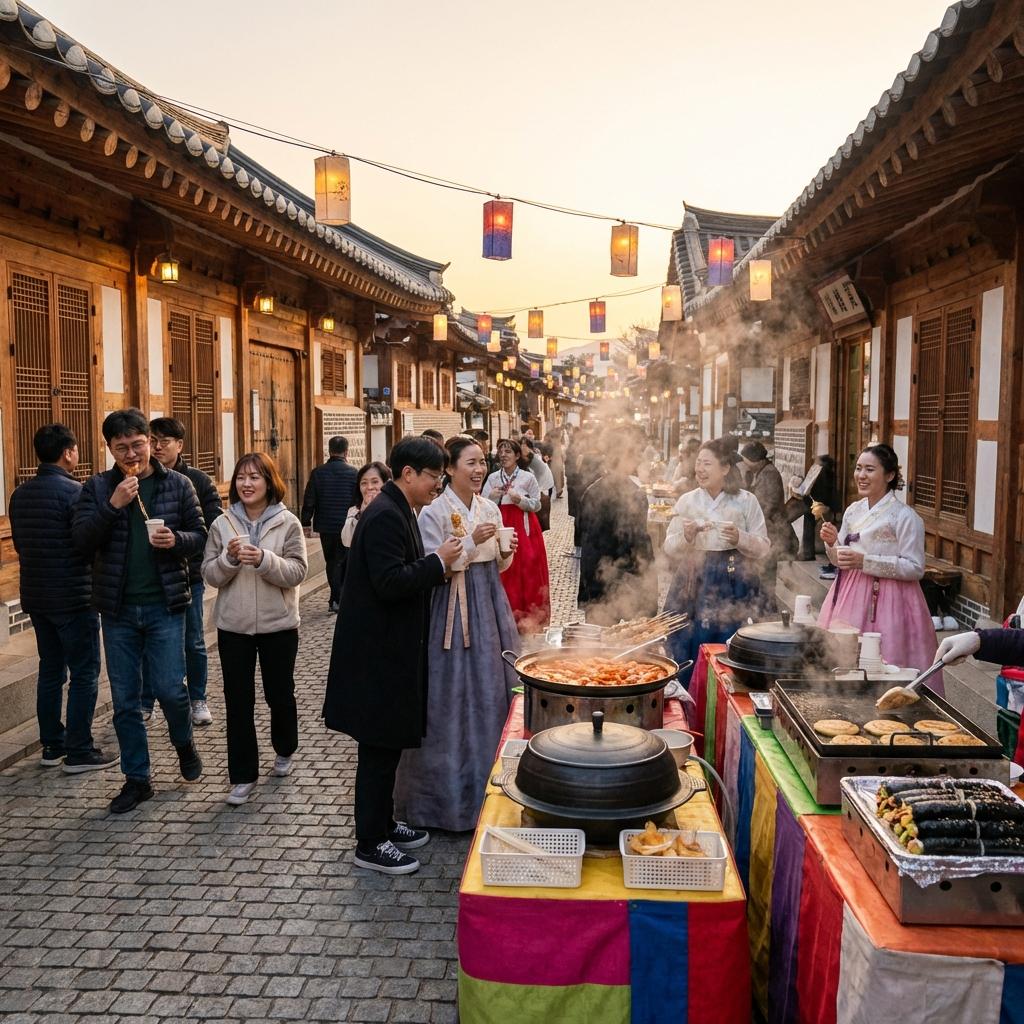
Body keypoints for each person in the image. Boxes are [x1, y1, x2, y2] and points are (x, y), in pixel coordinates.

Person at [323, 437, 463, 875]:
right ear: (408, 474)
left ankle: (383, 823)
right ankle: (370, 843)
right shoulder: (385, 514)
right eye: (434, 478)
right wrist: (438, 563)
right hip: (376, 653)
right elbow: (389, 581)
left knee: (385, 746)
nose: (437, 486)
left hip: (388, 649)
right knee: (378, 748)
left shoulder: (397, 507)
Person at [73, 408, 206, 814]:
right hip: (117, 611)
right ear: (110, 450)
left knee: (169, 688)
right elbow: (80, 540)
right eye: (121, 448)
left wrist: (177, 540)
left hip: (165, 606)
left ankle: (183, 740)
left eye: (138, 444)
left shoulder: (179, 484)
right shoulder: (97, 488)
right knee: (126, 700)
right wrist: (113, 505)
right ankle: (137, 778)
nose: (132, 453)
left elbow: (201, 535)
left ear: (150, 441)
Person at [394, 436, 520, 831]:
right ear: (449, 468)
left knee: (490, 691)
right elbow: (434, 564)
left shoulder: (489, 507)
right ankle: (443, 800)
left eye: (483, 462)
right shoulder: (433, 511)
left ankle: (494, 790)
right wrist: (470, 542)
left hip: (489, 603)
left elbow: (500, 566)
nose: (479, 469)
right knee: (446, 697)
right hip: (450, 607)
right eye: (471, 463)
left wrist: (505, 548)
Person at [203, 453, 308, 805]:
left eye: (255, 477)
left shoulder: (288, 522)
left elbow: (297, 572)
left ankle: (285, 747)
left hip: (279, 625)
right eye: (241, 478)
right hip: (234, 626)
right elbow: (209, 574)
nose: (246, 484)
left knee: (279, 693)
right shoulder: (222, 524)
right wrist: (229, 560)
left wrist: (264, 560)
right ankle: (242, 775)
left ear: (269, 481)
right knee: (238, 701)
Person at [9, 424, 114, 773]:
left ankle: (51, 744)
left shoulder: (19, 494)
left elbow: (21, 545)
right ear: (68, 453)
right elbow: (87, 543)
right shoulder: (76, 492)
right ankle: (80, 750)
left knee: (50, 670)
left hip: (37, 597)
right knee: (85, 672)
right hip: (74, 595)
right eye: (76, 449)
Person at [816, 444, 937, 675]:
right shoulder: (853, 510)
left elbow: (915, 568)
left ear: (890, 475)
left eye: (869, 470)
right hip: (849, 593)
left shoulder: (905, 517)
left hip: (892, 599)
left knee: (889, 660)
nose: (861, 476)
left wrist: (865, 562)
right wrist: (832, 543)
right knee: (843, 657)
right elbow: (840, 560)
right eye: (858, 468)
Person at [663, 438, 770, 685]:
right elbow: (669, 545)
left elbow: (763, 547)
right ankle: (687, 696)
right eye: (698, 463)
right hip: (693, 577)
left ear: (725, 468)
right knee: (686, 638)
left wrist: (739, 538)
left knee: (726, 641)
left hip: (733, 577)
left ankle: (723, 698)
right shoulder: (688, 500)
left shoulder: (745, 501)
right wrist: (687, 536)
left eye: (707, 463)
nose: (700, 469)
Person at [145, 417, 223, 726]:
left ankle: (198, 698)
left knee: (193, 641)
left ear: (180, 445)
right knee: (149, 644)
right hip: (152, 577)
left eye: (165, 440)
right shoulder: (139, 480)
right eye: (153, 439)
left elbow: (213, 526)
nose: (158, 446)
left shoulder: (198, 481)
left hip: (188, 575)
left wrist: (184, 543)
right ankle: (146, 700)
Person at [577, 428, 657, 626]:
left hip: (598, 579)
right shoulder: (635, 494)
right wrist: (649, 590)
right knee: (629, 645)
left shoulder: (591, 491)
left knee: (598, 647)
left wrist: (589, 588)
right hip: (628, 583)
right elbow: (640, 545)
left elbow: (584, 542)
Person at [484, 438, 551, 632]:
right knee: (505, 568)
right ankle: (507, 614)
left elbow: (537, 504)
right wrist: (493, 497)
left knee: (528, 566)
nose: (503, 455)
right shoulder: (493, 478)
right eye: (501, 451)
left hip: (524, 525)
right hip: (501, 524)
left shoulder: (527, 478)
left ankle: (530, 615)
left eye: (508, 451)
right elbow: (482, 501)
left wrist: (520, 500)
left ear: (517, 455)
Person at [300, 436, 357, 614]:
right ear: (346, 452)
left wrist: (305, 521)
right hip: (346, 525)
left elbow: (310, 499)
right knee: (344, 561)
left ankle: (335, 598)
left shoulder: (318, 473)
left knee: (331, 561)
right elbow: (357, 500)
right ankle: (339, 597)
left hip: (326, 525)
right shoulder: (353, 473)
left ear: (329, 451)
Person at [741, 441, 797, 614]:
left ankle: (767, 606)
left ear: (756, 459)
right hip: (766, 528)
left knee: (766, 570)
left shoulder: (769, 473)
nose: (744, 464)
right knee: (762, 569)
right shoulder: (759, 472)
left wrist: (752, 519)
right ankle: (763, 604)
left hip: (773, 530)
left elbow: (769, 503)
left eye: (746, 460)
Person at [341, 462, 392, 548]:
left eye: (375, 482)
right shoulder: (354, 511)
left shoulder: (394, 508)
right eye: (364, 483)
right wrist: (361, 514)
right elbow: (346, 541)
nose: (369, 487)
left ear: (385, 483)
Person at [522, 438, 555, 531]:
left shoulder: (534, 458)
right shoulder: (526, 459)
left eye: (524, 446)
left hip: (543, 488)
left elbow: (540, 472)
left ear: (530, 448)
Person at [544, 429, 566, 498]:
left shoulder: (554, 443)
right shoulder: (554, 443)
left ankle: (556, 491)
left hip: (556, 462)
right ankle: (557, 491)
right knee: (556, 477)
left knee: (556, 477)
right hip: (555, 462)